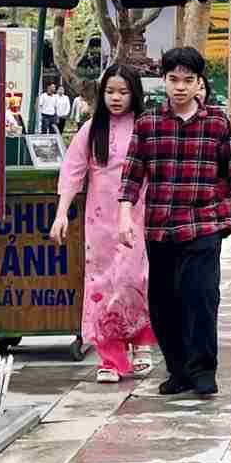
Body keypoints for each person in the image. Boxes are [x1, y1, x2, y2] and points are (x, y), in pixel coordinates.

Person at [118, 47, 231, 400]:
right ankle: (177, 370)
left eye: (188, 80)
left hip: (203, 224)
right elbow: (132, 175)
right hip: (160, 226)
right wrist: (123, 216)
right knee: (164, 303)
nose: (180, 87)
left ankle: (203, 369)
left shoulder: (217, 122)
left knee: (201, 296)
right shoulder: (148, 124)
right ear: (163, 81)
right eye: (173, 79)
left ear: (199, 84)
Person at [50, 64, 157, 383]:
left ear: (134, 93)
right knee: (100, 285)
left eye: (123, 92)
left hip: (138, 216)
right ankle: (109, 358)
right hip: (99, 222)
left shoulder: (145, 126)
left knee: (133, 279)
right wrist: (61, 214)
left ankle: (140, 343)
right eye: (110, 91)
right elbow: (72, 172)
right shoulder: (90, 130)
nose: (116, 98)